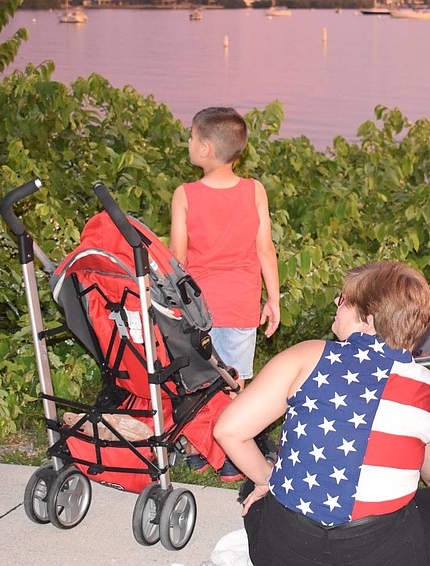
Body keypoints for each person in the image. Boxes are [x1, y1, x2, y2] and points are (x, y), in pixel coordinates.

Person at [214, 261, 430, 566]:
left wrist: (268, 478)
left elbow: (228, 430)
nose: (335, 304)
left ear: (368, 320)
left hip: (283, 551)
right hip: (380, 554)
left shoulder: (308, 355)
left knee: (256, 482)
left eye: (342, 300)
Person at [170, 106, 280, 479]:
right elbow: (265, 248)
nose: (188, 142)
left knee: (197, 379)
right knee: (234, 382)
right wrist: (273, 299)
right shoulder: (255, 190)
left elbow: (178, 261)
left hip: (198, 310)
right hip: (241, 305)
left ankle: (197, 451)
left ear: (203, 149)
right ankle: (233, 457)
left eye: (191, 137)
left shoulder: (185, 195)